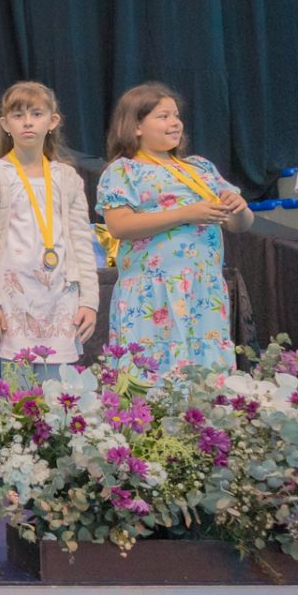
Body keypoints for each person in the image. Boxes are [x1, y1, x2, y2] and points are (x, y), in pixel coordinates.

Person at [96, 82, 252, 376]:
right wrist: (184, 214)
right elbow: (118, 225)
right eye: (163, 116)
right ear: (136, 126)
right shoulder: (123, 170)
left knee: (207, 374)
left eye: (176, 116)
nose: (175, 123)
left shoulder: (200, 168)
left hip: (202, 289)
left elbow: (239, 224)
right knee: (153, 370)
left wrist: (239, 208)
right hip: (152, 290)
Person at [0, 82, 99, 378]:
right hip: (12, 299)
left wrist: (89, 301)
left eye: (36, 114)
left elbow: (82, 243)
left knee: (57, 393)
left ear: (53, 121)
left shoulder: (67, 177)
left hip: (61, 298)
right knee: (18, 393)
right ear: (5, 124)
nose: (27, 122)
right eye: (18, 115)